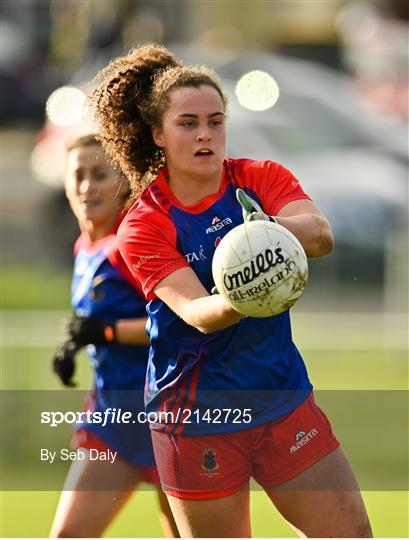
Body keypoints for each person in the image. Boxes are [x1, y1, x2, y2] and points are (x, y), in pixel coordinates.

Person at [91, 44, 373, 538]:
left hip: (281, 398)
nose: (205, 134)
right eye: (188, 123)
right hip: (197, 416)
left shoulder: (258, 179)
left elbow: (319, 234)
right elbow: (199, 310)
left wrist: (262, 235)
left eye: (216, 120)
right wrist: (252, 277)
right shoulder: (144, 224)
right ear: (158, 133)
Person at [50, 134, 179, 538]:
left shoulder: (131, 241)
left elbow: (180, 323)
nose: (88, 186)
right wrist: (75, 344)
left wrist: (105, 332)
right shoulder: (85, 246)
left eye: (100, 174)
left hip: (169, 415)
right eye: (78, 176)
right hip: (114, 418)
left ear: (124, 180)